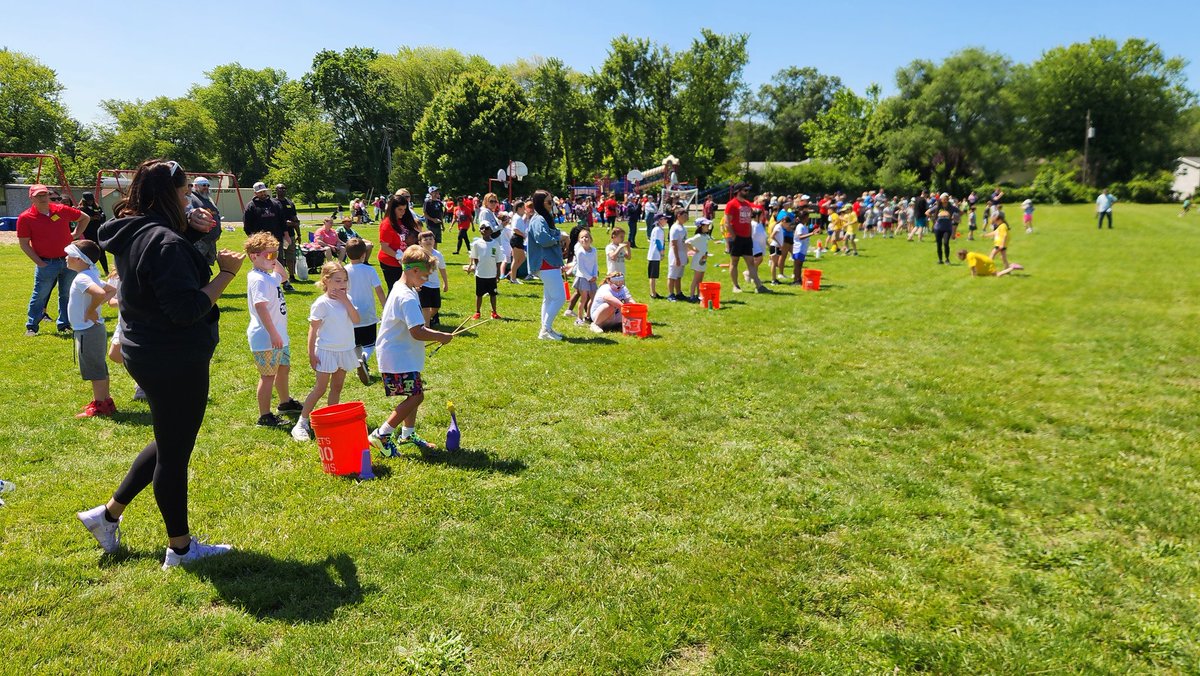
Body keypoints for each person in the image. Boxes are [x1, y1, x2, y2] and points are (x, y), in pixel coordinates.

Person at [83, 157, 240, 568]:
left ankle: (107, 516)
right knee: (174, 455)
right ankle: (181, 549)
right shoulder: (165, 242)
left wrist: (191, 229)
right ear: (167, 196)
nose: (190, 202)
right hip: (173, 356)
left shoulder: (134, 228)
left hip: (145, 349)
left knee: (170, 438)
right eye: (185, 194)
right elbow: (185, 309)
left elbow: (155, 259)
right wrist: (226, 274)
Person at [368, 245, 453, 455]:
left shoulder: (404, 288)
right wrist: (440, 336)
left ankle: (407, 435)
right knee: (416, 397)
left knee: (415, 392)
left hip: (402, 353)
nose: (426, 280)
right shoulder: (405, 296)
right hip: (397, 356)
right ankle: (381, 434)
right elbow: (417, 331)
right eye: (425, 276)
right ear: (414, 270)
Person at [291, 262, 361, 442]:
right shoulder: (322, 304)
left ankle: (332, 421)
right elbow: (313, 330)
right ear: (326, 281)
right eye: (338, 280)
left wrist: (346, 301)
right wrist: (311, 354)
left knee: (337, 387)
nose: (342, 284)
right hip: (326, 351)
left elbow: (356, 319)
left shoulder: (347, 299)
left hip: (344, 350)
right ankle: (301, 423)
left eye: (345, 280)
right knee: (320, 388)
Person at [243, 232, 302, 428]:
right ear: (254, 256)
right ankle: (265, 416)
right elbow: (260, 307)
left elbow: (283, 276)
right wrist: (273, 334)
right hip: (267, 337)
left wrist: (274, 259)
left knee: (283, 369)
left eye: (275, 254)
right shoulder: (258, 279)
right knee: (268, 376)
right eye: (269, 255)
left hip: (278, 336)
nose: (273, 259)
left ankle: (285, 403)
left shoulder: (267, 276)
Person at [18, 183, 90, 336]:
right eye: (38, 195)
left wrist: (75, 234)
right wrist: (39, 262)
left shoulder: (61, 210)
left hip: (69, 260)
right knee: (40, 295)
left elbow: (85, 218)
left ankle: (64, 324)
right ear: (31, 198)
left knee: (67, 294)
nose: (42, 198)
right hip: (46, 262)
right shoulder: (25, 217)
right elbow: (24, 243)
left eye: (44, 194)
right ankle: (31, 326)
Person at [66, 240, 118, 418]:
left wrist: (90, 311)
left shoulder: (82, 278)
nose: (66, 257)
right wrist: (95, 308)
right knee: (99, 367)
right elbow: (111, 290)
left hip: (88, 330)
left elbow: (101, 293)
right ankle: (106, 401)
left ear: (79, 259)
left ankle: (99, 406)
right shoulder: (90, 274)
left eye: (70, 255)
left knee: (95, 370)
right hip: (93, 329)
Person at [344, 238, 386, 385]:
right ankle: (363, 359)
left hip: (350, 313)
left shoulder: (344, 271)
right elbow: (379, 290)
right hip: (368, 313)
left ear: (347, 254)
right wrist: (385, 307)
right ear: (364, 254)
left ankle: (359, 363)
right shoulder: (370, 270)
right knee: (370, 344)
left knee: (356, 343)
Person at [527, 190, 567, 340]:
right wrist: (559, 237)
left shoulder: (543, 217)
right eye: (549, 202)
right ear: (540, 203)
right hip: (545, 263)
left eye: (552, 202)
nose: (552, 205)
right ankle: (545, 329)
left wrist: (558, 235)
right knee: (559, 298)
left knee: (549, 298)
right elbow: (543, 239)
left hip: (548, 262)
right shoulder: (539, 219)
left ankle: (546, 330)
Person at [724, 183, 767, 294]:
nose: (747, 192)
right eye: (745, 190)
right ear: (738, 191)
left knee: (751, 262)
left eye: (748, 190)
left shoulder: (747, 204)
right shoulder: (731, 204)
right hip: (736, 238)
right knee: (734, 262)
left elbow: (749, 222)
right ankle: (735, 286)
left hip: (747, 238)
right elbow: (727, 223)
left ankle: (759, 286)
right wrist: (734, 237)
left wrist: (750, 235)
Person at [378, 194, 422, 292]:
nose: (403, 212)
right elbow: (384, 247)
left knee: (407, 288)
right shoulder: (386, 224)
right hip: (390, 262)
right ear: (392, 209)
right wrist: (399, 256)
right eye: (400, 209)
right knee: (395, 290)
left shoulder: (402, 220)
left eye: (404, 209)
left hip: (404, 260)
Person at [468, 221, 503, 320]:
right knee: (479, 294)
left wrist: (498, 273)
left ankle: (494, 312)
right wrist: (476, 267)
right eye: (482, 228)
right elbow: (475, 257)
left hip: (492, 274)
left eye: (487, 228)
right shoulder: (477, 244)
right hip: (481, 274)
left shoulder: (495, 244)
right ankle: (477, 312)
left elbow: (498, 260)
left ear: (491, 231)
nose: (484, 230)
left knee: (493, 294)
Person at [186, 178, 221, 267]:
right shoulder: (192, 198)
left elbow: (216, 214)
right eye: (203, 185)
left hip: (211, 240)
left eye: (208, 185)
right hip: (200, 240)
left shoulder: (208, 198)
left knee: (207, 267)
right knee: (197, 264)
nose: (206, 187)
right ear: (195, 186)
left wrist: (218, 232)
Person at [416, 231, 448, 326]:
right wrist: (416, 284)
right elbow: (414, 271)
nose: (428, 241)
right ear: (420, 243)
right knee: (425, 307)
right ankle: (426, 327)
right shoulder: (418, 255)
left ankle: (422, 320)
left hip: (435, 285)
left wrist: (445, 283)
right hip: (422, 285)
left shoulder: (438, 254)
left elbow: (442, 269)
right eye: (425, 239)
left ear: (434, 241)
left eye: (431, 239)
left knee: (436, 307)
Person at [568, 229, 599, 324]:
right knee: (584, 298)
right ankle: (579, 318)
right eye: (582, 237)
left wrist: (594, 275)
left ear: (591, 239)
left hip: (592, 277)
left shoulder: (594, 250)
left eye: (586, 237)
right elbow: (581, 268)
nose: (584, 239)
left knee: (594, 297)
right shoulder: (580, 252)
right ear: (579, 240)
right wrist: (589, 277)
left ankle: (588, 316)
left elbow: (595, 264)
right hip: (582, 277)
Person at [274, 185, 300, 289]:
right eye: (280, 188)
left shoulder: (290, 203)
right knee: (279, 257)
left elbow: (295, 218)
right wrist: (286, 223)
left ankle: (292, 276)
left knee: (291, 255)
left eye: (284, 188)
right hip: (278, 235)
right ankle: (281, 278)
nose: (282, 190)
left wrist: (299, 234)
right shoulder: (273, 203)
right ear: (276, 190)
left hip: (290, 234)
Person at [78, 192, 109, 275]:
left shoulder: (97, 207)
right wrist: (91, 218)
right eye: (88, 200)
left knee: (101, 251)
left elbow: (103, 217)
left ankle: (106, 271)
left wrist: (100, 217)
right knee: (89, 252)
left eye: (91, 200)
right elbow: (79, 219)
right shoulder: (81, 209)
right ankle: (90, 271)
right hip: (87, 233)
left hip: (97, 232)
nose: (90, 202)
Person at [685, 218, 714, 303]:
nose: (708, 226)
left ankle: (699, 295)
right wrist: (694, 250)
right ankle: (691, 296)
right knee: (696, 279)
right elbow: (687, 242)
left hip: (703, 259)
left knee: (700, 280)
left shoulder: (705, 236)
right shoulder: (698, 236)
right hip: (698, 260)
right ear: (701, 226)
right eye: (706, 225)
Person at [666, 209, 688, 301]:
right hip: (675, 255)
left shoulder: (683, 227)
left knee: (679, 276)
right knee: (672, 276)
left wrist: (686, 255)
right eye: (685, 216)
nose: (686, 218)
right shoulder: (675, 228)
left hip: (682, 254)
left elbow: (685, 242)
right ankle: (671, 294)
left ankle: (679, 293)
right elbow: (674, 244)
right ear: (678, 215)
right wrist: (677, 258)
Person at [507, 199, 529, 283]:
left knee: (522, 258)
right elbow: (515, 229)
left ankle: (512, 273)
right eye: (523, 207)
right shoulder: (517, 217)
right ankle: (513, 278)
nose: (525, 209)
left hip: (518, 239)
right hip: (516, 239)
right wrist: (523, 235)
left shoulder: (518, 217)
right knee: (516, 260)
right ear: (519, 208)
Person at [932, 193, 958, 264]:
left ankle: (947, 259)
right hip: (938, 228)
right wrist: (934, 219)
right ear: (941, 200)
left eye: (947, 199)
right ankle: (940, 260)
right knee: (939, 244)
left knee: (946, 243)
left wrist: (954, 218)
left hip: (947, 228)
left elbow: (960, 212)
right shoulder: (937, 207)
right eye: (944, 199)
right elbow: (927, 212)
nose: (946, 200)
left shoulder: (951, 207)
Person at [958, 249, 1022, 276]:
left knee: (997, 274)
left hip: (987, 264)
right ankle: (1011, 267)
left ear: (962, 255)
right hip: (987, 262)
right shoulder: (970, 254)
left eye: (959, 256)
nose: (959, 258)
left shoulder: (969, 256)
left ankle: (1012, 268)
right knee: (981, 274)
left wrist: (973, 276)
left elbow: (972, 267)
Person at [647, 212, 667, 299]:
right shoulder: (658, 230)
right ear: (659, 220)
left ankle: (653, 291)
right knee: (653, 275)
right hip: (654, 255)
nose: (666, 220)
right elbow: (658, 242)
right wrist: (662, 253)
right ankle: (653, 293)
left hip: (655, 255)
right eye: (664, 219)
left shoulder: (659, 229)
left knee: (654, 275)